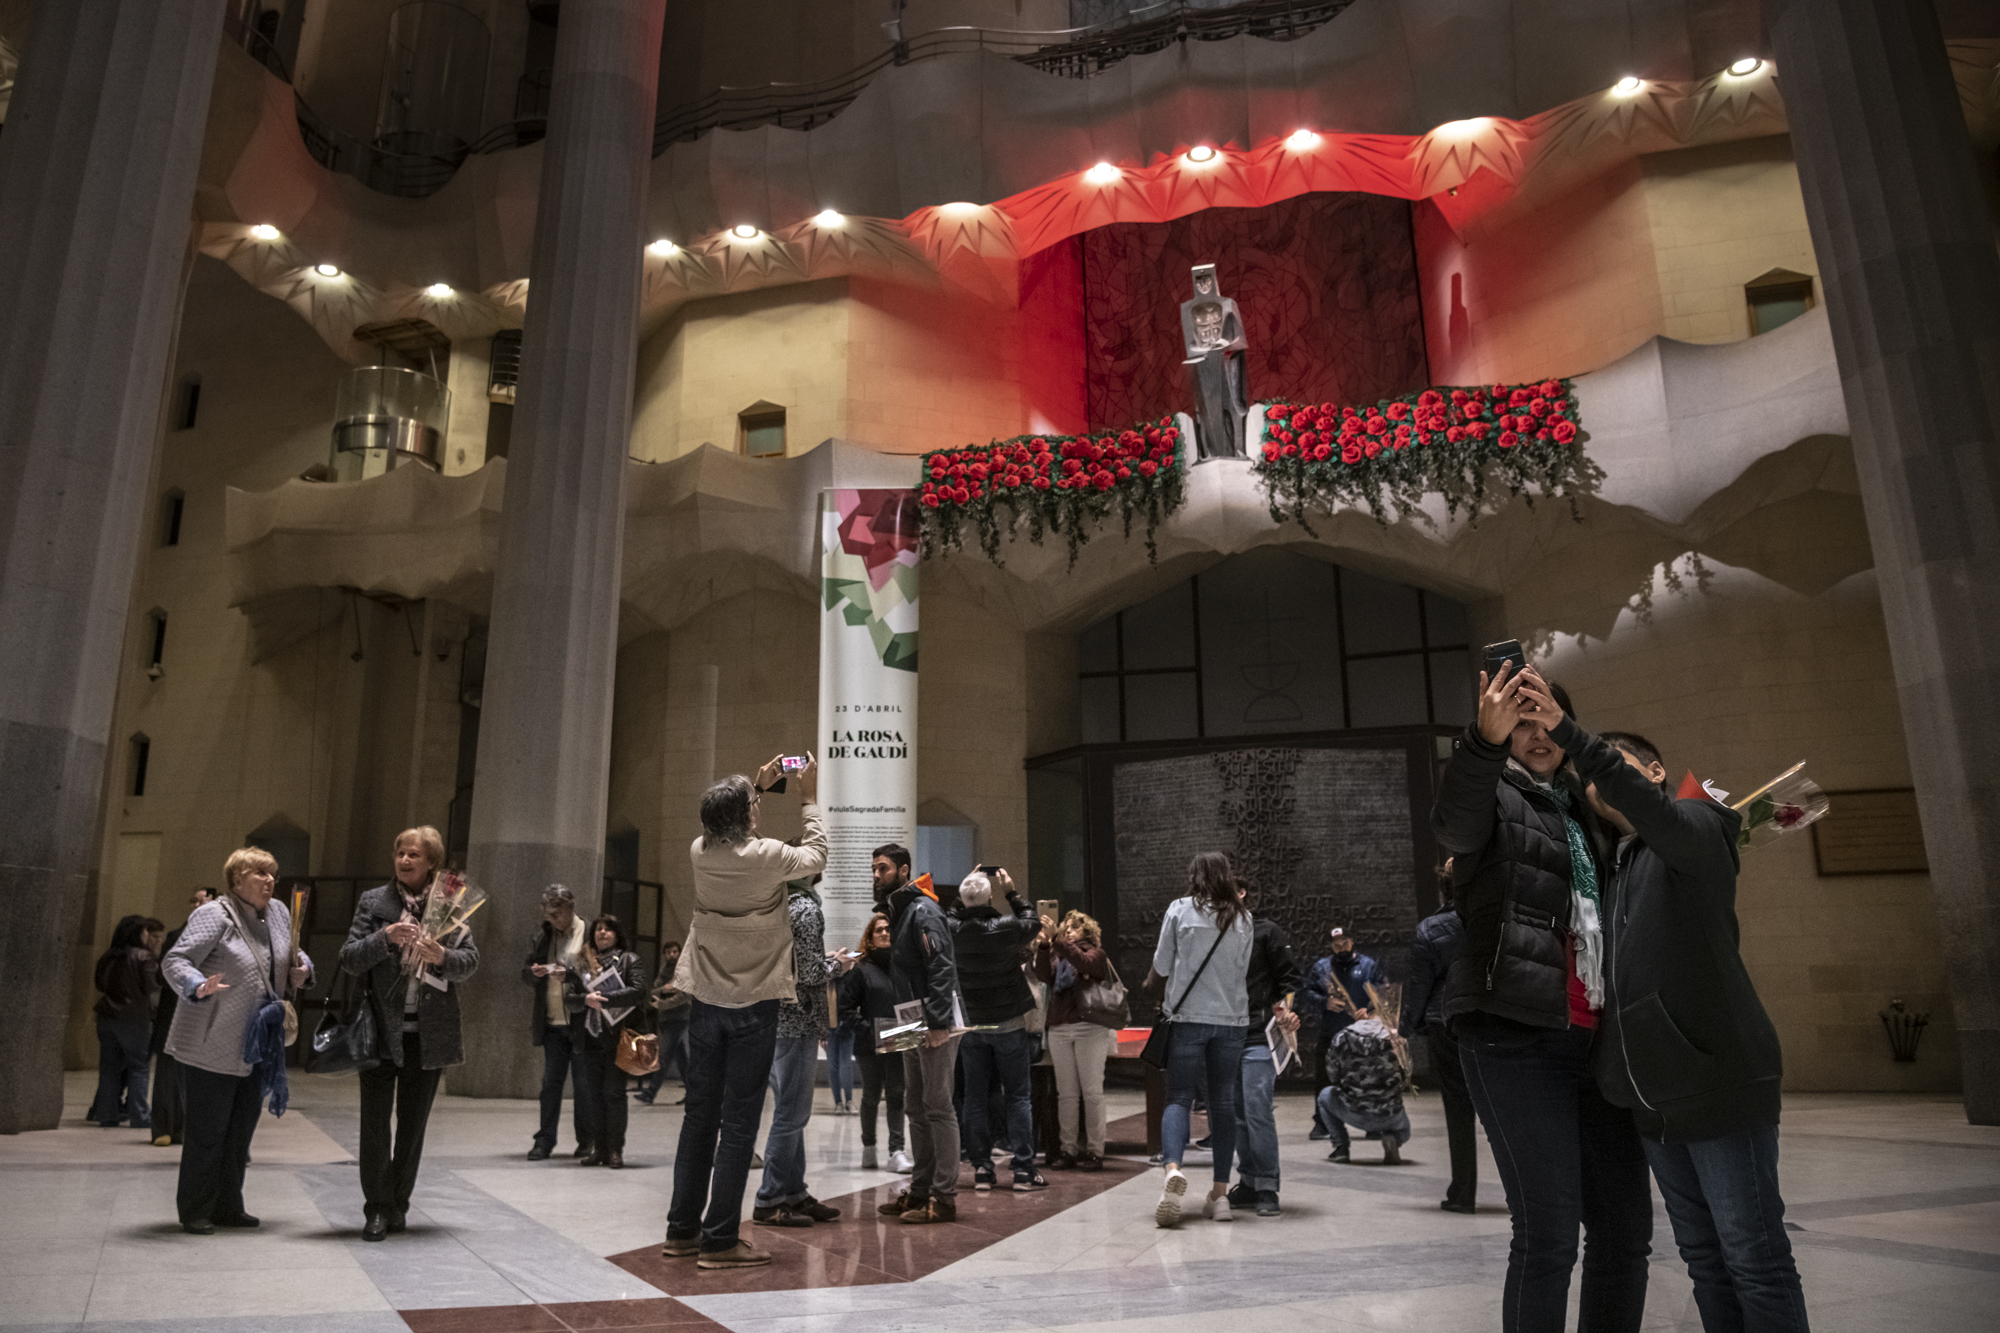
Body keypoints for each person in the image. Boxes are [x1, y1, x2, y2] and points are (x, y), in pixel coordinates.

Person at [1532, 690, 1808, 1333]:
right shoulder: (1620, 864)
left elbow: (1658, 812)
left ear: (1651, 773)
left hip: (1714, 1080)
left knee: (1754, 1257)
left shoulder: (1700, 824)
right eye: (1589, 782)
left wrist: (1570, 735)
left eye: (1612, 770)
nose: (1597, 786)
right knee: (1706, 1260)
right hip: (1651, 1098)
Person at [1432, 661, 1651, 1333]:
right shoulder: (1492, 793)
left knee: (1624, 1229)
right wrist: (1482, 740)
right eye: (1518, 720)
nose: (1535, 732)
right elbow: (1455, 826)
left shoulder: (1588, 808)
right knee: (1549, 1230)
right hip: (1513, 1033)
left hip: (1598, 1042)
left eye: (1545, 716)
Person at [664, 756, 826, 1270]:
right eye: (753, 806)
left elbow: (730, 825)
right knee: (738, 1125)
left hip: (706, 1000)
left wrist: (757, 787)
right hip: (753, 1002)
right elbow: (817, 853)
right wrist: (807, 795)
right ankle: (719, 1240)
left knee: (698, 1119)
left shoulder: (698, 851)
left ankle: (682, 1232)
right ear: (747, 818)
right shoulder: (769, 857)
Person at [160, 848, 311, 1235]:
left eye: (272, 873)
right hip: (212, 1041)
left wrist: (303, 968)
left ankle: (229, 1205)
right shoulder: (214, 915)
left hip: (258, 1045)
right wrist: (197, 984)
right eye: (259, 873)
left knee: (240, 1131)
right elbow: (174, 960)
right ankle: (195, 1208)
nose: (269, 880)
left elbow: (289, 954)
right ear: (237, 878)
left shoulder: (278, 912)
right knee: (207, 1132)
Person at [339, 826, 480, 1239]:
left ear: (431, 862)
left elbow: (471, 961)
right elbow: (349, 958)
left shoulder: (450, 905)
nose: (404, 860)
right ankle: (376, 1209)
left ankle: (398, 1204)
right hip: (381, 1031)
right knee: (375, 1125)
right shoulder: (373, 902)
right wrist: (384, 938)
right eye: (400, 853)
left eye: (414, 855)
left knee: (413, 1126)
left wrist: (443, 956)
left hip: (428, 1034)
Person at [1150, 851, 1255, 1228]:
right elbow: (1241, 970)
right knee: (1222, 1103)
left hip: (1188, 1019)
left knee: (1179, 1096)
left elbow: (1162, 966)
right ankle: (1221, 1194)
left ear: (1194, 876)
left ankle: (1173, 1171)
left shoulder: (1179, 910)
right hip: (1231, 1020)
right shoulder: (1243, 917)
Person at [877, 846, 965, 1225]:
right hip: (909, 1019)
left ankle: (944, 1197)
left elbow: (940, 965)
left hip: (931, 1020)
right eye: (874, 869)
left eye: (883, 868)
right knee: (915, 1106)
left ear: (904, 870)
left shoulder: (924, 909)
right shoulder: (901, 911)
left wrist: (938, 1022)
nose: (876, 875)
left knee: (937, 1106)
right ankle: (920, 1189)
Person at [753, 867, 844, 1227]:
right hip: (797, 1021)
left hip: (776, 1019)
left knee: (791, 1113)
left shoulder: (775, 904)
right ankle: (769, 1198)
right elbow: (808, 973)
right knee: (791, 1115)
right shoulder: (805, 909)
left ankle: (794, 1192)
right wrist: (839, 964)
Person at [951, 868, 1046, 1192]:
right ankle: (1022, 1170)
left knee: (974, 1099)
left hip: (974, 1024)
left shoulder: (955, 930)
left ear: (964, 902)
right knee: (1018, 1097)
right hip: (1007, 1023)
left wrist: (965, 890)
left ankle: (981, 1170)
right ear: (990, 898)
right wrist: (1011, 892)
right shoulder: (1004, 928)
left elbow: (950, 915)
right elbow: (1032, 922)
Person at [1406, 865, 1478, 1214]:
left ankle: (1463, 1192)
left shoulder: (1431, 929)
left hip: (1445, 1023)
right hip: (1489, 1021)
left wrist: (1411, 1025)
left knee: (1458, 1110)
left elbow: (1419, 987)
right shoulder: (1491, 921)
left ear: (1443, 890)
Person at [1229, 892, 1300, 1216]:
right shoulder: (1214, 937)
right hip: (1225, 1036)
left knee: (1257, 1109)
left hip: (1259, 1034)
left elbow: (1290, 979)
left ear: (1241, 894)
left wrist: (1286, 1011)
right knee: (1238, 1114)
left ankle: (1268, 1186)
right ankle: (1249, 1182)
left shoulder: (1267, 932)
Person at [1033, 909, 1113, 1172]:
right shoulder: (1059, 954)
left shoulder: (1095, 954)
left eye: (1073, 928)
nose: (1067, 931)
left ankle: (1094, 1151)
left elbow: (1082, 962)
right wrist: (1045, 947)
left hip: (1089, 1027)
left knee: (1092, 1092)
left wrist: (1058, 939)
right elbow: (1043, 975)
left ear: (1087, 932)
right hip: (1060, 1027)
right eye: (1065, 927)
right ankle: (1068, 1149)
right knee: (1065, 1094)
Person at [522, 884, 593, 1161]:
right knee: (550, 1084)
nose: (550, 918)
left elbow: (597, 975)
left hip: (581, 1022)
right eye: (547, 913)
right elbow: (524, 973)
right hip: (552, 1023)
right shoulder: (543, 935)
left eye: (556, 914)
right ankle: (544, 1141)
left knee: (583, 1085)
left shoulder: (588, 932)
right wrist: (535, 973)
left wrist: (572, 976)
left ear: (569, 909)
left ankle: (586, 1140)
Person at [576, 914, 648, 1169]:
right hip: (591, 1035)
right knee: (594, 1095)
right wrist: (584, 999)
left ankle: (615, 1150)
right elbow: (571, 996)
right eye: (597, 929)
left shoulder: (629, 960)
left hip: (619, 1038)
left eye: (607, 929)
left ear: (617, 934)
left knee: (614, 1094)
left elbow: (639, 991)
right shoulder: (585, 963)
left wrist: (605, 998)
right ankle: (599, 1149)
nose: (601, 933)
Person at [840, 913, 908, 1170]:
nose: (884, 933)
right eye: (878, 930)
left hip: (899, 1038)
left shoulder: (902, 967)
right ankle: (869, 1147)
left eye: (889, 929)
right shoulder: (862, 969)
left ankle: (897, 1151)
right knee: (871, 1095)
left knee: (897, 1095)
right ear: (870, 937)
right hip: (869, 1043)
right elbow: (845, 1008)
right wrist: (867, 1029)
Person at [150, 887, 218, 1147]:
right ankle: (162, 1128)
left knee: (193, 1076)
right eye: (194, 900)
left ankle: (183, 1129)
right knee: (167, 1073)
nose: (198, 903)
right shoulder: (176, 935)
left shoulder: (220, 935)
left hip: (203, 1012)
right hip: (174, 1010)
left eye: (204, 899)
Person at [1302, 926, 1384, 1139]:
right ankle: (1323, 1123)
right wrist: (1324, 1002)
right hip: (1331, 1034)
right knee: (1324, 1079)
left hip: (1363, 1035)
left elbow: (1384, 992)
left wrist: (1371, 1008)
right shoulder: (1322, 968)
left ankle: (1372, 1124)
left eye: (1345, 943)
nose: (1341, 947)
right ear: (1331, 945)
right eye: (1337, 944)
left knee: (1367, 1079)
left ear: (1352, 942)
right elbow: (1307, 992)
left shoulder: (1368, 965)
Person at [89, 914, 162, 1129]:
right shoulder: (144, 957)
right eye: (146, 931)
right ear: (138, 933)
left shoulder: (108, 956)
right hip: (135, 1019)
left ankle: (107, 1113)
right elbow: (152, 988)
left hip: (107, 1016)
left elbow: (99, 984)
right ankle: (139, 1115)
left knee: (109, 1068)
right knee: (139, 1067)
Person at [1318, 1006, 1412, 1164]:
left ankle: (1341, 1148)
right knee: (1405, 1130)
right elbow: (1407, 1075)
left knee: (1325, 1096)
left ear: (1365, 1013)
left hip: (1354, 1111)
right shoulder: (1398, 1039)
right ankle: (1393, 1138)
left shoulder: (1342, 1037)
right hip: (1389, 1114)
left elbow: (1332, 1075)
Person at [635, 940, 688, 1105]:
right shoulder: (664, 971)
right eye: (668, 952)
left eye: (674, 951)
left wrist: (662, 1003)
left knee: (664, 1056)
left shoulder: (684, 971)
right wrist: (664, 990)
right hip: (665, 1019)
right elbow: (654, 990)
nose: (671, 955)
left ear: (680, 953)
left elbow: (684, 996)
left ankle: (650, 1093)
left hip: (679, 1018)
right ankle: (694, 1093)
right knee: (681, 1059)